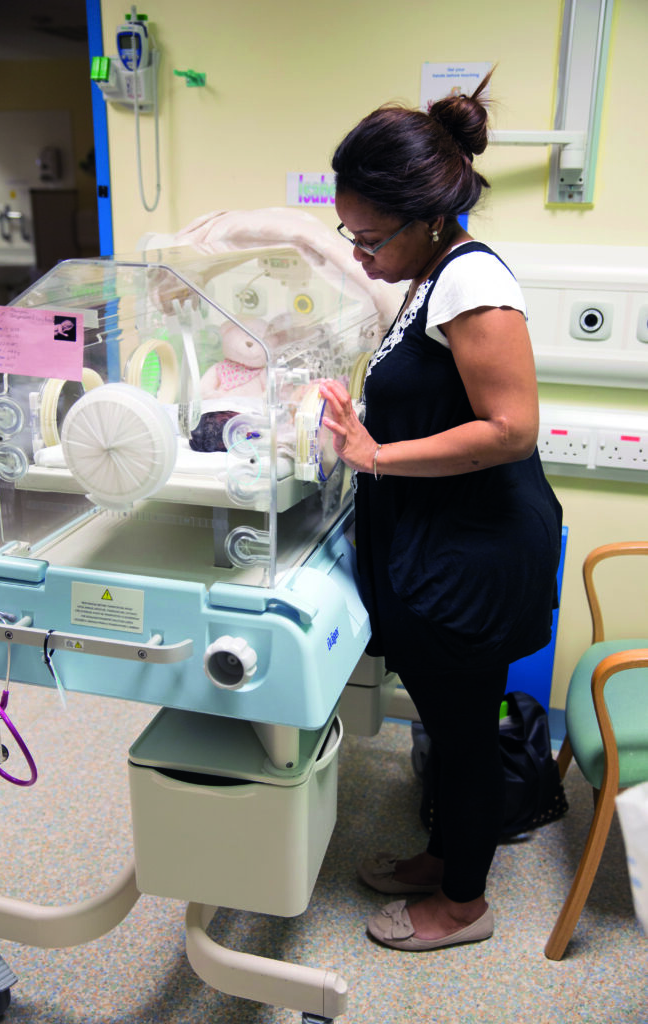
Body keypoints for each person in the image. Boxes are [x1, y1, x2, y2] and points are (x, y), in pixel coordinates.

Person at [318, 71, 563, 952]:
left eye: (367, 236)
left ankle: (464, 904)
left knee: (460, 738)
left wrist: (375, 454)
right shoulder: (429, 278)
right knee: (446, 724)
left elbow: (508, 428)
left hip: (473, 553)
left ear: (424, 218)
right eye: (348, 233)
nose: (357, 254)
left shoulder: (471, 281)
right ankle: (444, 854)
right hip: (442, 537)